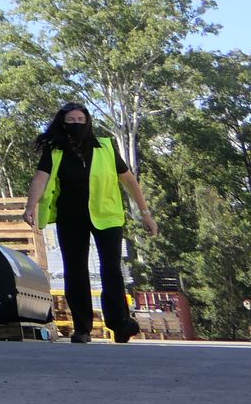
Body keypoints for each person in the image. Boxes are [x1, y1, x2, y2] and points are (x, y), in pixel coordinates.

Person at [21, 101, 159, 343]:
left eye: (80, 120)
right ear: (62, 123)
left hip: (107, 216)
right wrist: (31, 205)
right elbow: (40, 178)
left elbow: (129, 181)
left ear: (88, 122)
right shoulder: (55, 151)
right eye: (71, 121)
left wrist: (146, 213)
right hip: (70, 216)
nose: (76, 124)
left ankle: (119, 324)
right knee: (75, 271)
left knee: (112, 269)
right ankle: (81, 328)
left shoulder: (105, 146)